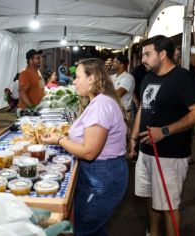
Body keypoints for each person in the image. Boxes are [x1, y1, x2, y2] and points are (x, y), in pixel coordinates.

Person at [129, 35, 195, 236]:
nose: (143, 59)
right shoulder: (148, 77)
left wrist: (165, 131)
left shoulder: (182, 77)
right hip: (146, 152)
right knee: (149, 201)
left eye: (147, 54)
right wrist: (133, 138)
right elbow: (143, 109)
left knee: (168, 206)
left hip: (169, 156)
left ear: (162, 54)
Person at [42, 58, 128, 235]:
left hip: (101, 175)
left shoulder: (101, 105)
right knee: (94, 228)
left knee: (84, 228)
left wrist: (59, 140)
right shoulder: (99, 101)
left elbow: (89, 152)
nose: (73, 81)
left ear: (92, 78)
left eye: (77, 76)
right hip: (100, 173)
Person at [111, 54, 135, 120]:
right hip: (113, 111)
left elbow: (118, 94)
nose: (113, 63)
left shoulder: (128, 77)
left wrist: (105, 91)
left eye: (115, 62)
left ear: (121, 65)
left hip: (123, 113)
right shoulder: (112, 77)